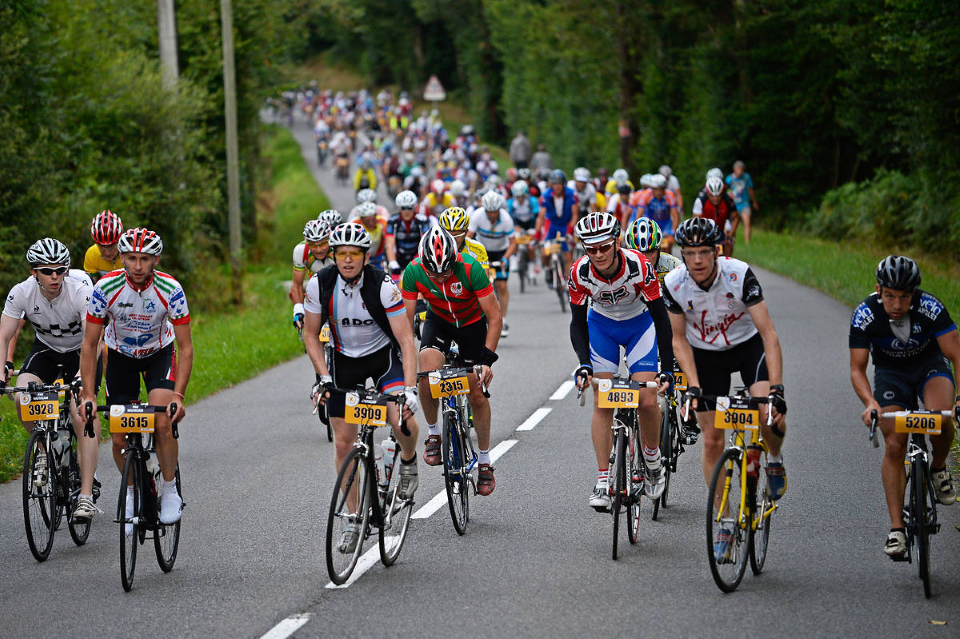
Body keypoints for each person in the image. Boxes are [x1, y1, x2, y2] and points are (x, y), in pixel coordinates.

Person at [661, 217, 787, 562]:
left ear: (717, 252)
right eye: (690, 253)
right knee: (713, 439)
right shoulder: (674, 284)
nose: (697, 260)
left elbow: (769, 333)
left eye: (704, 252)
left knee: (769, 416)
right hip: (705, 355)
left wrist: (775, 388)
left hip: (748, 348)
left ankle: (774, 459)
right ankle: (726, 522)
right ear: (682, 255)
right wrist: (694, 387)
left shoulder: (739, 274)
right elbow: (677, 340)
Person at [305, 222, 421, 554]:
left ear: (365, 256)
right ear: (333, 255)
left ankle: (409, 461)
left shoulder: (384, 286)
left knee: (402, 419)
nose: (347, 260)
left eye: (354, 254)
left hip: (383, 358)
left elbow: (405, 340)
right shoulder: (320, 284)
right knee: (343, 444)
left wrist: (409, 388)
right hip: (345, 361)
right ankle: (353, 519)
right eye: (341, 253)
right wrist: (323, 377)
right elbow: (311, 335)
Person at [80, 228, 192, 528]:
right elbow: (89, 345)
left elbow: (185, 346)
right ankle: (131, 492)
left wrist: (178, 397)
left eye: (144, 258)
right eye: (131, 258)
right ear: (122, 257)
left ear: (156, 258)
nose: (138, 266)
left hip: (158, 353)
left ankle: (169, 490)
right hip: (120, 358)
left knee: (161, 422)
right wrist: (88, 394)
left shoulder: (171, 289)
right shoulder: (105, 287)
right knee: (118, 438)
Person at [848, 256, 959, 559]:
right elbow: (857, 368)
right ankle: (897, 529)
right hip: (891, 376)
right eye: (889, 296)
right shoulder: (865, 314)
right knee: (894, 445)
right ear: (878, 290)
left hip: (929, 368)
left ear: (914, 294)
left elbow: (956, 354)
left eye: (904, 297)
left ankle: (937, 467)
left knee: (941, 419)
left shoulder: (931, 308)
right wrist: (870, 403)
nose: (897, 304)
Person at [568, 212, 675, 510]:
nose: (598, 254)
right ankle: (603, 480)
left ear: (616, 242)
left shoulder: (639, 267)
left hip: (640, 326)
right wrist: (584, 363)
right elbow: (577, 324)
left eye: (604, 246)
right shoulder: (579, 273)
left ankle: (652, 458)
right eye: (591, 249)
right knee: (603, 400)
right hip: (602, 328)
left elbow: (661, 319)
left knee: (648, 399)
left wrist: (666, 368)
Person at [1, 239, 102, 520]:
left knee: (82, 412)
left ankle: (84, 496)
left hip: (83, 350)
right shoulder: (21, 293)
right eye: (47, 270)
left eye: (60, 270)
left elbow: (94, 340)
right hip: (46, 349)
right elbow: (3, 335)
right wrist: (1, 371)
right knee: (23, 397)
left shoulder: (81, 291)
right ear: (34, 271)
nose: (55, 276)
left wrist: (83, 376)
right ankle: (44, 450)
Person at [402, 227, 502, 496]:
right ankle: (434, 433)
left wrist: (486, 360)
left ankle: (484, 462)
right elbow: (405, 324)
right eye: (433, 273)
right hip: (440, 324)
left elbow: (495, 318)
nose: (439, 277)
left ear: (455, 259)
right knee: (426, 371)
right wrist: (404, 360)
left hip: (472, 324)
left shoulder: (470, 268)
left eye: (445, 271)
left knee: (476, 392)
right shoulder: (412, 272)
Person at [468, 190, 517, 339]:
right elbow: (468, 238)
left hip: (501, 252)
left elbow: (513, 242)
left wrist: (506, 258)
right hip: (483, 251)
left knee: (502, 285)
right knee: (480, 285)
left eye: (494, 211)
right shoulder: (477, 215)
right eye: (489, 212)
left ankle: (503, 318)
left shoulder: (506, 219)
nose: (492, 215)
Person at [536, 169, 578, 284]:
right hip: (552, 226)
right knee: (544, 252)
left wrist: (570, 230)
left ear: (563, 184)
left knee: (568, 255)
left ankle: (570, 283)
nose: (557, 187)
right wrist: (537, 234)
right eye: (554, 184)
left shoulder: (571, 194)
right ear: (551, 185)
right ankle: (549, 268)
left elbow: (575, 215)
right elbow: (541, 216)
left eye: (559, 184)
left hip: (566, 225)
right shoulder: (546, 195)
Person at [291, 219, 333, 331]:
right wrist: (298, 310)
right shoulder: (300, 250)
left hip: (338, 288)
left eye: (323, 243)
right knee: (311, 332)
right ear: (307, 242)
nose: (319, 250)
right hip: (316, 291)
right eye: (313, 245)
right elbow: (297, 285)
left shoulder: (337, 249)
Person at [385, 191, 432, 278]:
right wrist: (392, 262)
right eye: (403, 208)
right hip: (399, 258)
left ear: (414, 207)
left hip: (416, 255)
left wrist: (417, 260)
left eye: (409, 208)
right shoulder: (392, 220)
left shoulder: (422, 220)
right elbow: (389, 245)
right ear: (399, 208)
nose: (407, 211)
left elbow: (426, 243)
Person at [630, 173, 679, 252]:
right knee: (650, 244)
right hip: (651, 222)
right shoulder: (646, 195)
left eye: (661, 189)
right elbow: (639, 214)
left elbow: (675, 215)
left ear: (665, 188)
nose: (659, 192)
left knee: (669, 242)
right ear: (652, 188)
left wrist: (673, 230)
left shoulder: (670, 195)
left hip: (666, 223)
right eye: (656, 189)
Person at [692, 176, 738, 257]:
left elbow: (736, 217)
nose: (715, 198)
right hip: (704, 231)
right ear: (708, 193)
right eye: (712, 195)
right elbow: (695, 221)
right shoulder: (700, 201)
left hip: (720, 231)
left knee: (728, 247)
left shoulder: (728, 200)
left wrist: (731, 233)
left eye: (718, 195)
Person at [84, 210, 124, 281]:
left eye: (112, 247)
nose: (107, 253)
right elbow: (91, 287)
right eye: (101, 247)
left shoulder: (129, 254)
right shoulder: (92, 254)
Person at [725, 161, 758, 244]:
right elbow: (725, 190)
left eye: (741, 169)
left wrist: (754, 202)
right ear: (734, 169)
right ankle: (731, 239)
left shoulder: (746, 177)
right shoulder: (729, 179)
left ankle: (747, 242)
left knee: (747, 222)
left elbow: (750, 190)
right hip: (733, 204)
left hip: (744, 203)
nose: (740, 170)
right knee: (733, 224)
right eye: (739, 169)